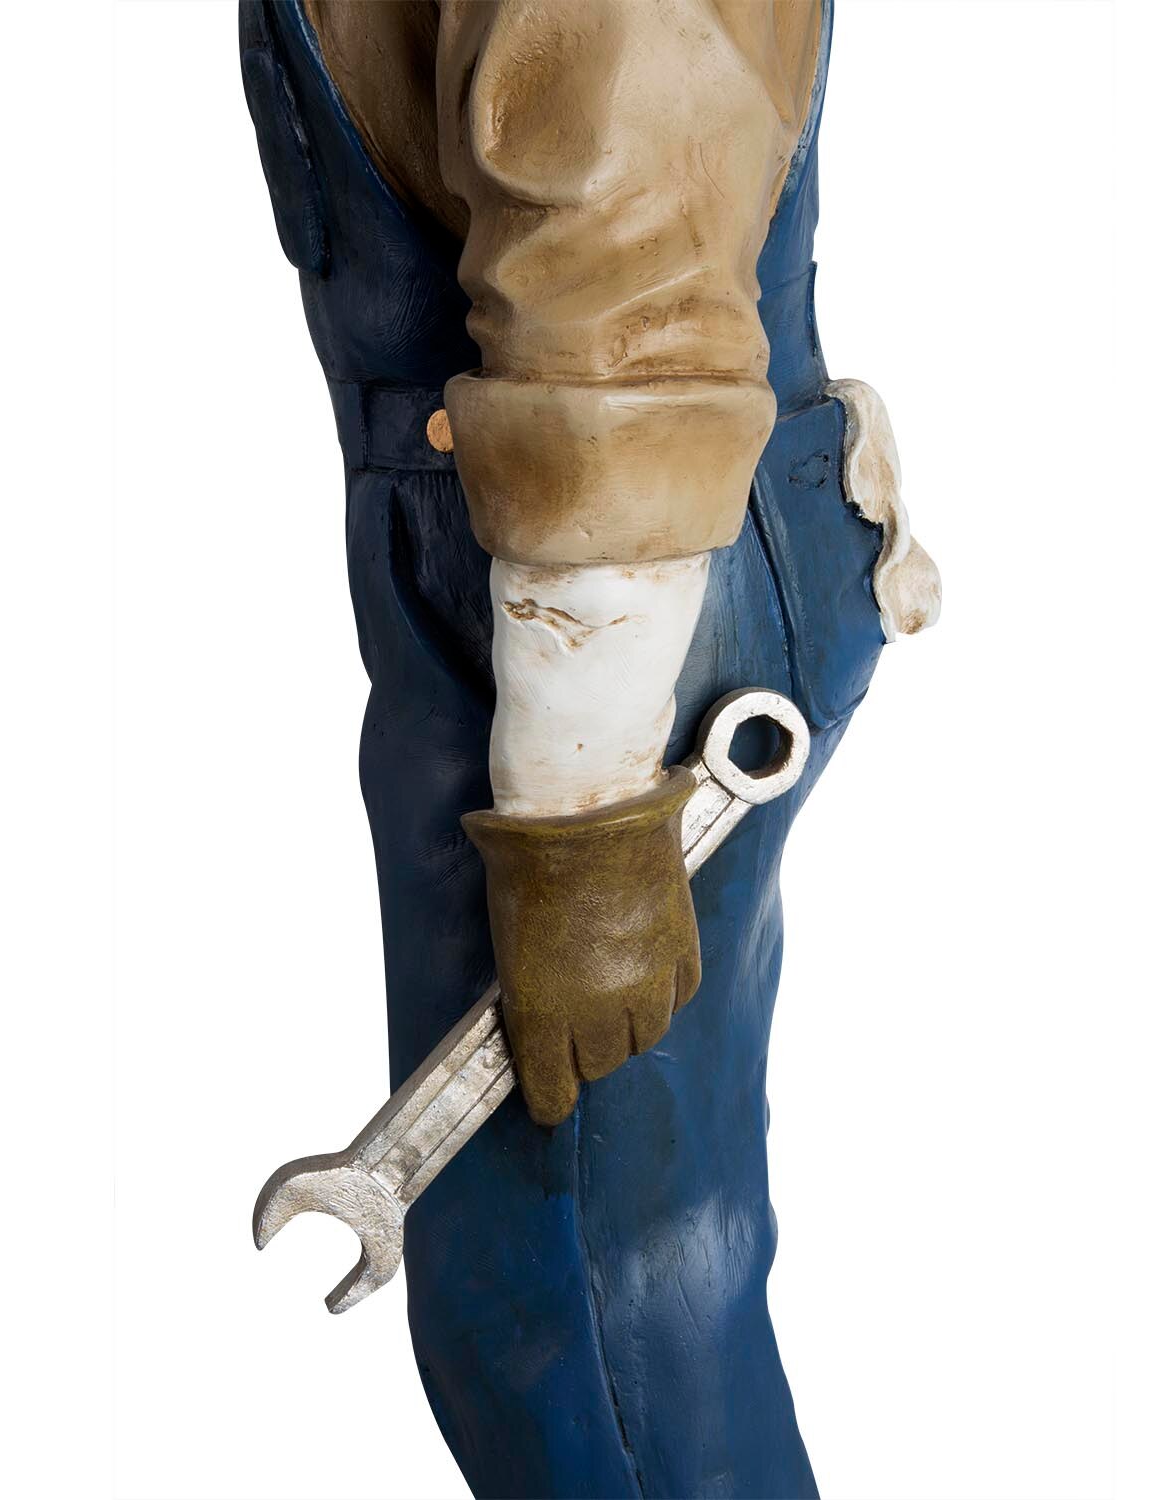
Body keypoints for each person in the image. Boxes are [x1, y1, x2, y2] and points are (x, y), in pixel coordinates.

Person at [239, 3, 936, 1493]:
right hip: (545, 570)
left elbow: (624, 281)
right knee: (554, 1308)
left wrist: (586, 822)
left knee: (599, 1337)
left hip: (615, 611)